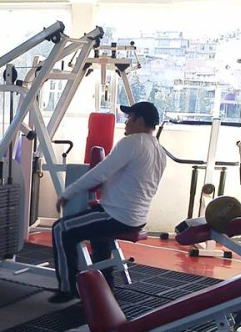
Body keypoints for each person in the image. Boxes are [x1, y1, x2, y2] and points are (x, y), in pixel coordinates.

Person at [51, 102, 167, 301]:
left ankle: (67, 289)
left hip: (117, 216)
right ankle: (105, 283)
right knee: (98, 228)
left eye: (129, 118)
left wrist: (68, 193)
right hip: (137, 218)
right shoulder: (159, 150)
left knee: (60, 229)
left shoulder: (131, 143)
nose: (126, 122)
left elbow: (100, 173)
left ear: (140, 120)